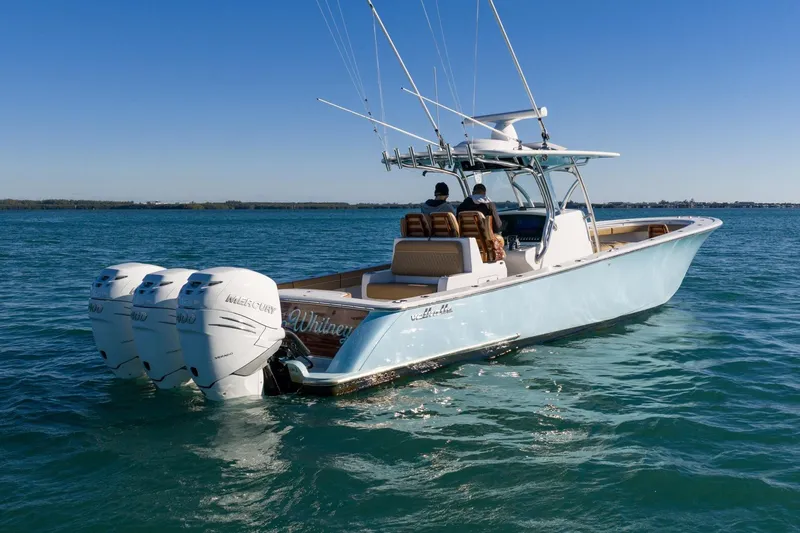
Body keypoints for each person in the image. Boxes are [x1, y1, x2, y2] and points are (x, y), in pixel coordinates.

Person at [457, 183, 505, 260]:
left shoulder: (461, 207)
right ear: (484, 193)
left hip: (466, 241)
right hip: (484, 241)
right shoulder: (489, 205)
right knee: (500, 238)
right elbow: (497, 227)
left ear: (473, 193)